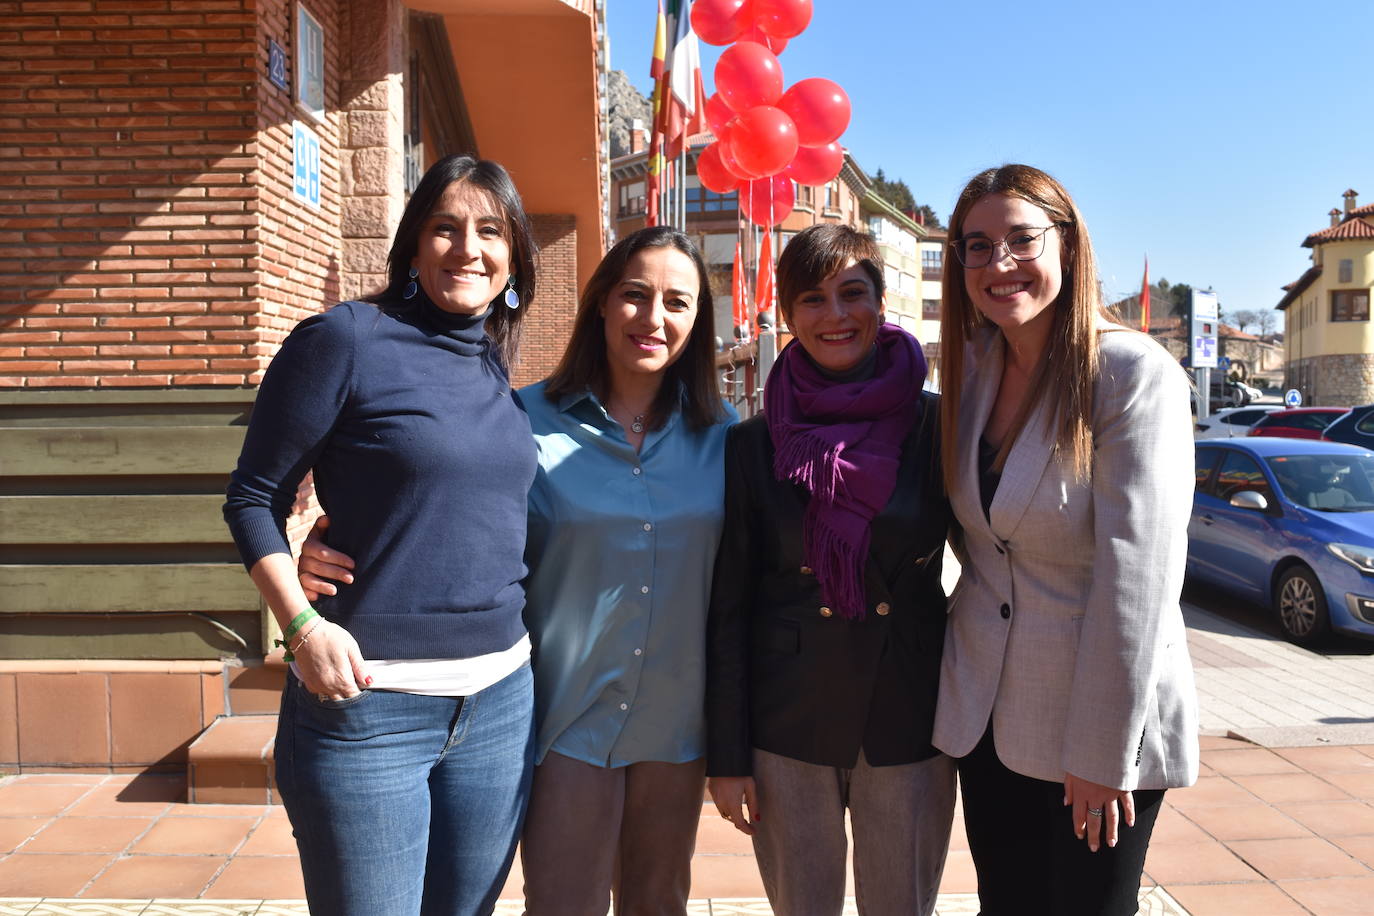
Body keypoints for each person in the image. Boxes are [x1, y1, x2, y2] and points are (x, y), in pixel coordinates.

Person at [299, 225, 736, 915]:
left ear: (697, 321)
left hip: (678, 730)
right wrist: (325, 543)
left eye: (677, 303)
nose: (654, 319)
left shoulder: (726, 436)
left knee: (661, 903)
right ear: (600, 304)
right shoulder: (520, 418)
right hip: (562, 723)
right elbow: (441, 509)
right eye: (635, 295)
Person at [223, 154, 539, 916]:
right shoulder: (346, 339)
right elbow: (251, 497)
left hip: (499, 705)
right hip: (370, 708)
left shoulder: (495, 365)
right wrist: (300, 625)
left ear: (514, 258)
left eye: (490, 231)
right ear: (413, 245)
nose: (468, 248)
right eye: (445, 227)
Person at [932, 163, 1198, 916]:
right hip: (987, 718)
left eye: (1022, 239)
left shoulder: (1129, 373)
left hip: (1094, 729)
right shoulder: (976, 370)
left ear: (1070, 247)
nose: (999, 263)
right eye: (977, 246)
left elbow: (1138, 580)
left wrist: (1101, 753)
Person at [706, 223, 955, 916]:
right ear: (788, 314)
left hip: (906, 712)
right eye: (813, 298)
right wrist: (727, 755)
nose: (835, 315)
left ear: (882, 304)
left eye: (853, 293)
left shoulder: (938, 427)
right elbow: (731, 605)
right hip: (789, 723)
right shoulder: (753, 443)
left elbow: (995, 560)